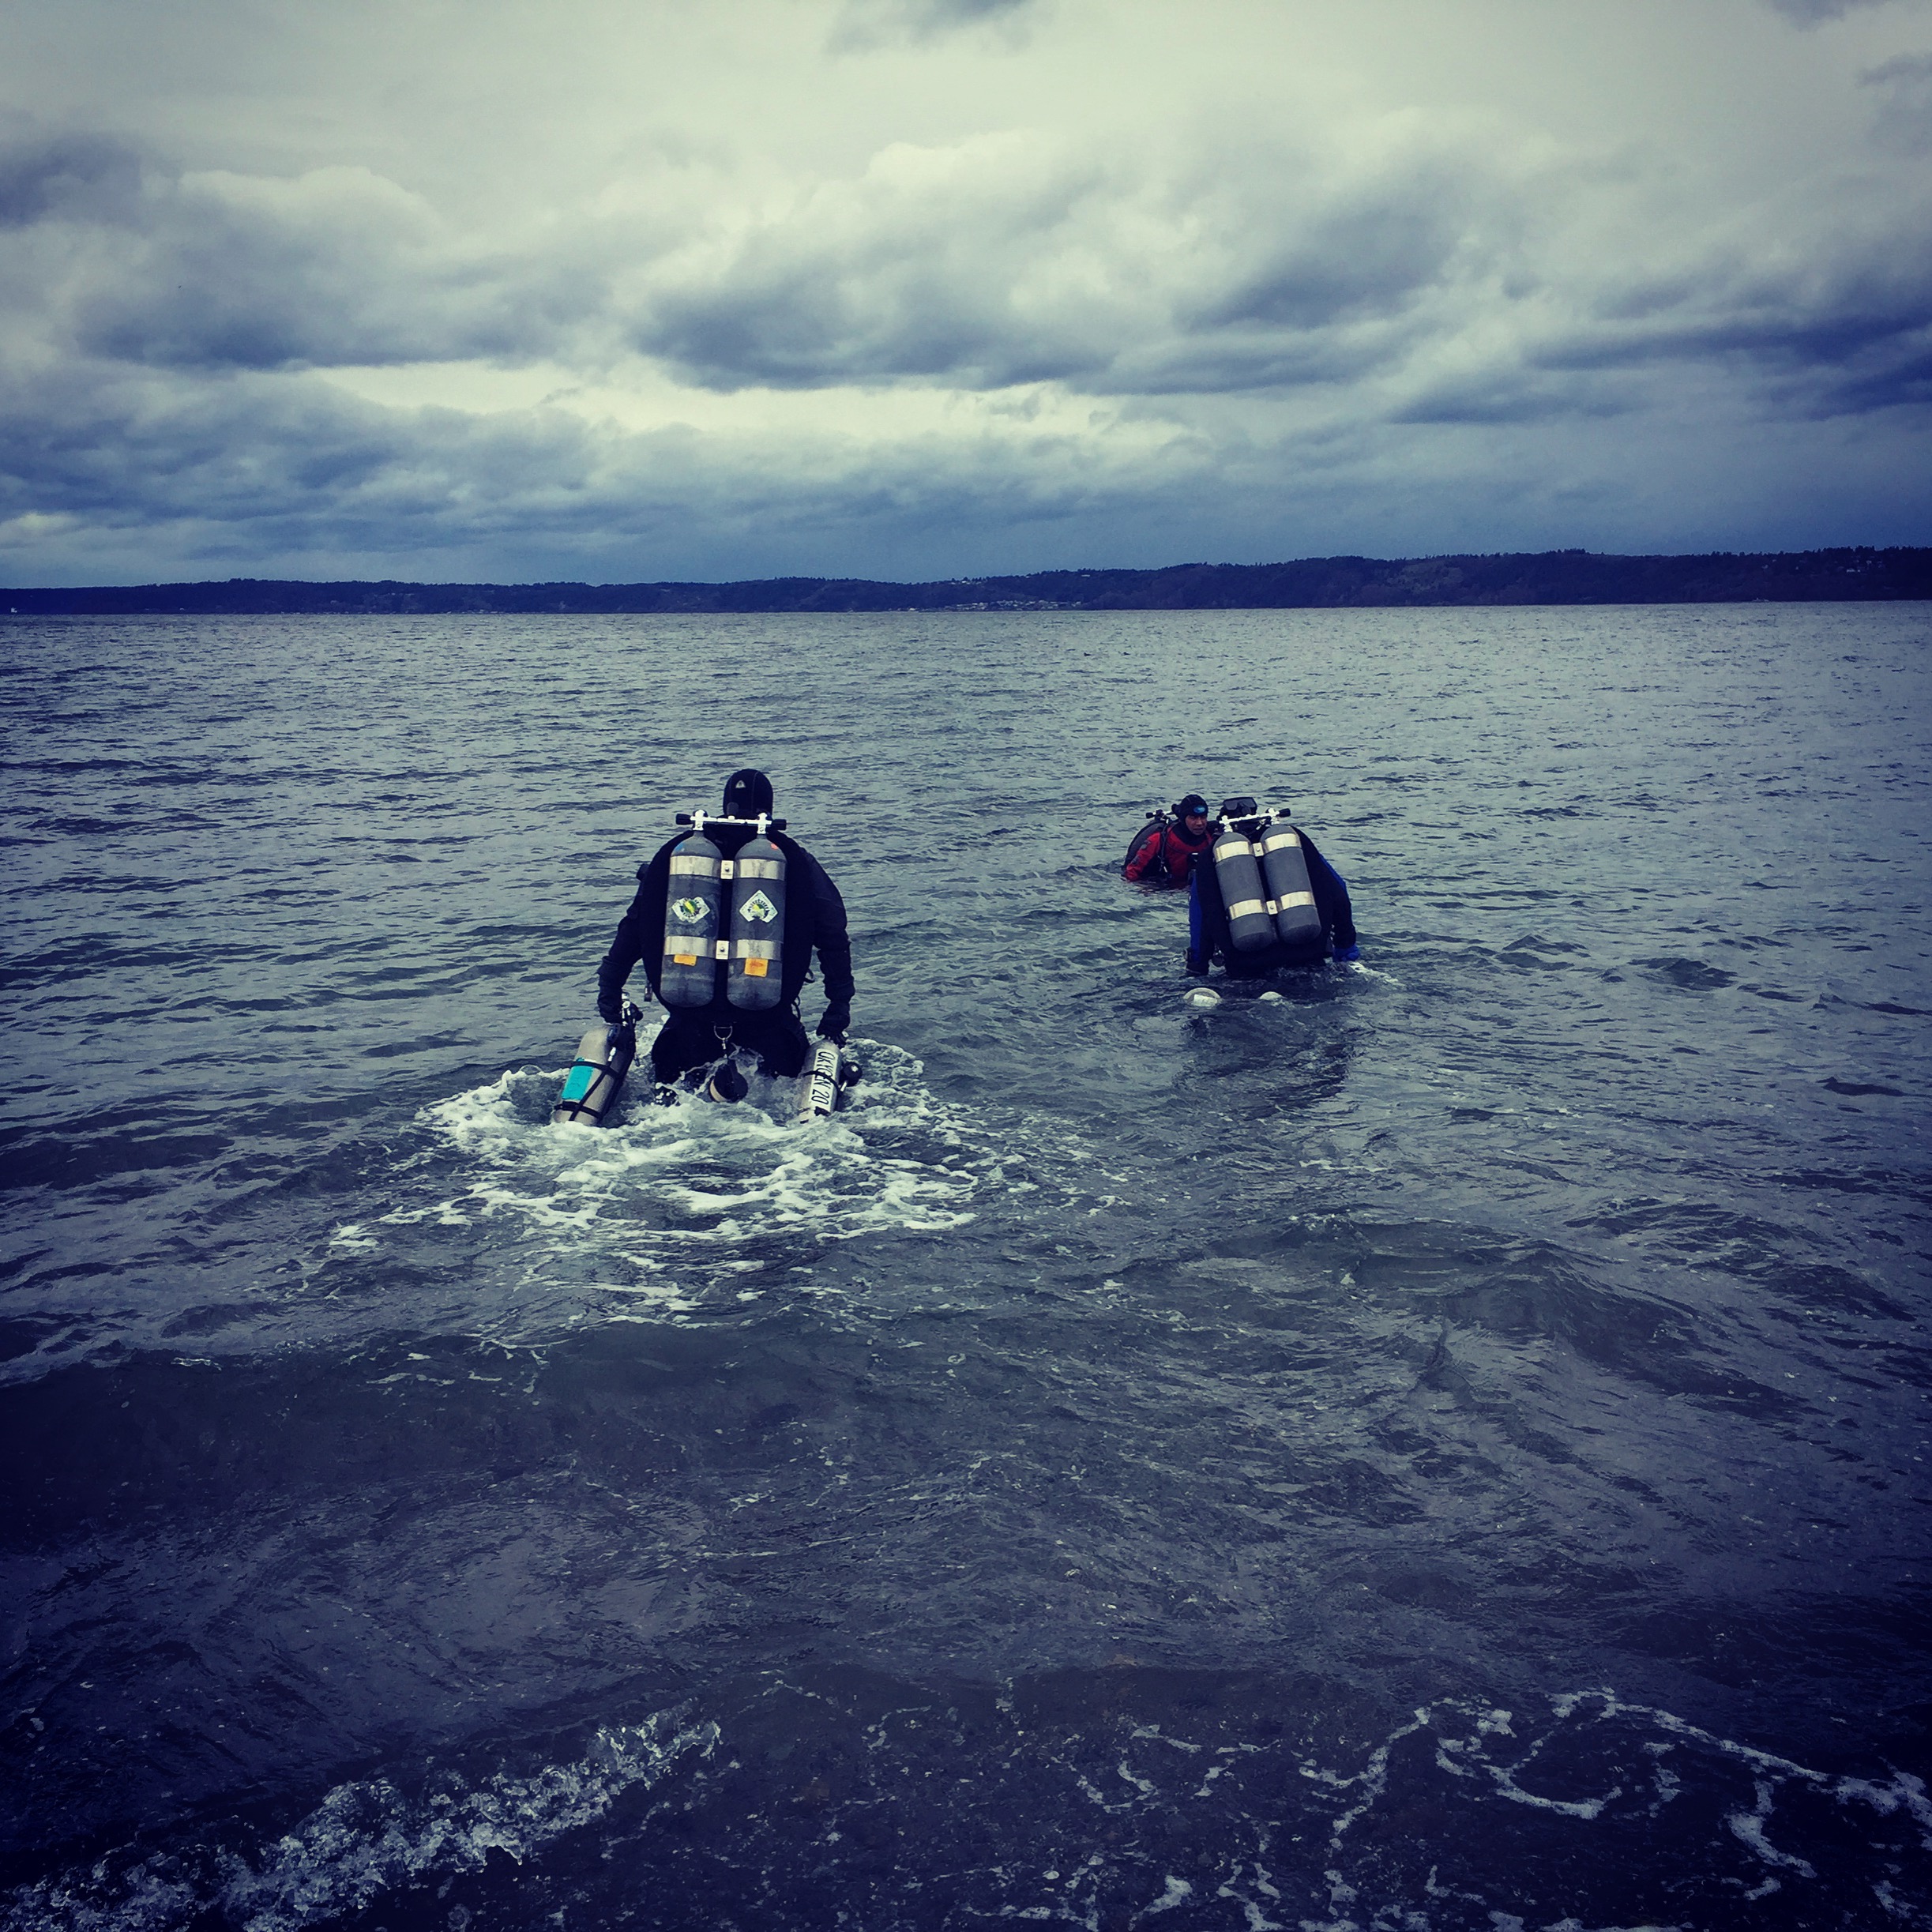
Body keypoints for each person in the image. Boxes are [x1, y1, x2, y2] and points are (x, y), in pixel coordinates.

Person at [596, 768, 855, 1084]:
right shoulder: (792, 859)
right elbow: (833, 938)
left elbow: (635, 927)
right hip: (770, 1028)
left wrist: (610, 990)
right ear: (769, 807)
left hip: (686, 1028)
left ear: (725, 803)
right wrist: (837, 1012)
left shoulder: (680, 856)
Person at [1186, 796, 1360, 976]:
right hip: (1307, 957)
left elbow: (1200, 918)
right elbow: (1339, 892)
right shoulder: (1294, 841)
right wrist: (1346, 947)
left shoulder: (1211, 857)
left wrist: (1197, 967)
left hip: (1246, 967)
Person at [1124, 794, 1214, 885]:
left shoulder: (1212, 837)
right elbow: (1131, 873)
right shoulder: (1160, 840)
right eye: (1193, 818)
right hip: (1164, 891)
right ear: (1183, 819)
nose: (1199, 823)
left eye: (1203, 817)